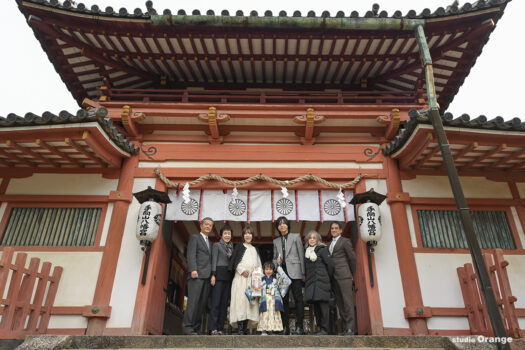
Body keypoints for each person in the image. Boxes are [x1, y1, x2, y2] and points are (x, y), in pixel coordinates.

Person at [272, 216, 305, 335]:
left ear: (288, 225)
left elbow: (301, 254)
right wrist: (276, 264)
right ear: (277, 227)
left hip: (295, 271)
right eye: (279, 224)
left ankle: (299, 327)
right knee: (284, 300)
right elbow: (274, 258)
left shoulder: (296, 237)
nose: (282, 226)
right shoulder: (275, 241)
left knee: (298, 299)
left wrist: (303, 272)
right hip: (282, 273)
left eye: (284, 223)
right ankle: (285, 327)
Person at [182, 217, 214, 335]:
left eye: (210, 225)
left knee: (201, 304)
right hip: (196, 275)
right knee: (193, 302)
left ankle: (196, 328)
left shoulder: (210, 243)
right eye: (206, 224)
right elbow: (191, 255)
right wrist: (193, 269)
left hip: (206, 277)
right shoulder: (195, 238)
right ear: (201, 225)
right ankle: (187, 327)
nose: (208, 227)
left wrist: (212, 275)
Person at [229, 225, 261, 335]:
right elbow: (233, 262)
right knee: (240, 302)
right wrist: (242, 270)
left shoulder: (255, 249)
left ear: (252, 236)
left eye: (250, 233)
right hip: (241, 279)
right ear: (243, 236)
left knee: (250, 303)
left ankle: (247, 327)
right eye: (246, 233)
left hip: (252, 281)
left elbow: (258, 265)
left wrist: (257, 273)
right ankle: (240, 328)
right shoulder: (238, 247)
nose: (248, 235)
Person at [328, 221, 357, 335]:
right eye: (332, 228)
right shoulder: (329, 244)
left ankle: (350, 328)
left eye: (336, 228)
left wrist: (352, 274)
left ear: (340, 230)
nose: (334, 230)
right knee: (340, 304)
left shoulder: (345, 241)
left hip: (344, 275)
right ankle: (345, 329)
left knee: (348, 302)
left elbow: (353, 259)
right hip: (334, 277)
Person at [304, 230, 334, 335]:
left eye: (314, 238)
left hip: (322, 282)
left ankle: (325, 329)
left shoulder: (322, 250)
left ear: (318, 240)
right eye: (310, 238)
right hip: (312, 283)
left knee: (323, 307)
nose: (312, 240)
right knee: (316, 307)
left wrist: (327, 278)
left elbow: (330, 266)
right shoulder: (306, 252)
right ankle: (321, 328)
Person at [209, 224, 234, 335]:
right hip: (218, 275)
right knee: (216, 303)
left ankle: (220, 328)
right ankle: (213, 327)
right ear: (221, 235)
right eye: (225, 233)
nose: (227, 235)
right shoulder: (216, 245)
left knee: (224, 303)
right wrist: (213, 274)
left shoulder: (232, 246)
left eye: (229, 233)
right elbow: (214, 260)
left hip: (228, 277)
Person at [256, 261, 284, 335]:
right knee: (265, 314)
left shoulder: (276, 278)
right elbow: (255, 287)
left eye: (270, 269)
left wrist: (279, 265)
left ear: (273, 270)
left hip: (273, 299)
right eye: (266, 269)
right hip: (265, 298)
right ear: (263, 270)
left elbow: (283, 278)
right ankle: (264, 330)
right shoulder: (261, 279)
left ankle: (271, 329)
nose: (268, 271)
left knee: (273, 313)